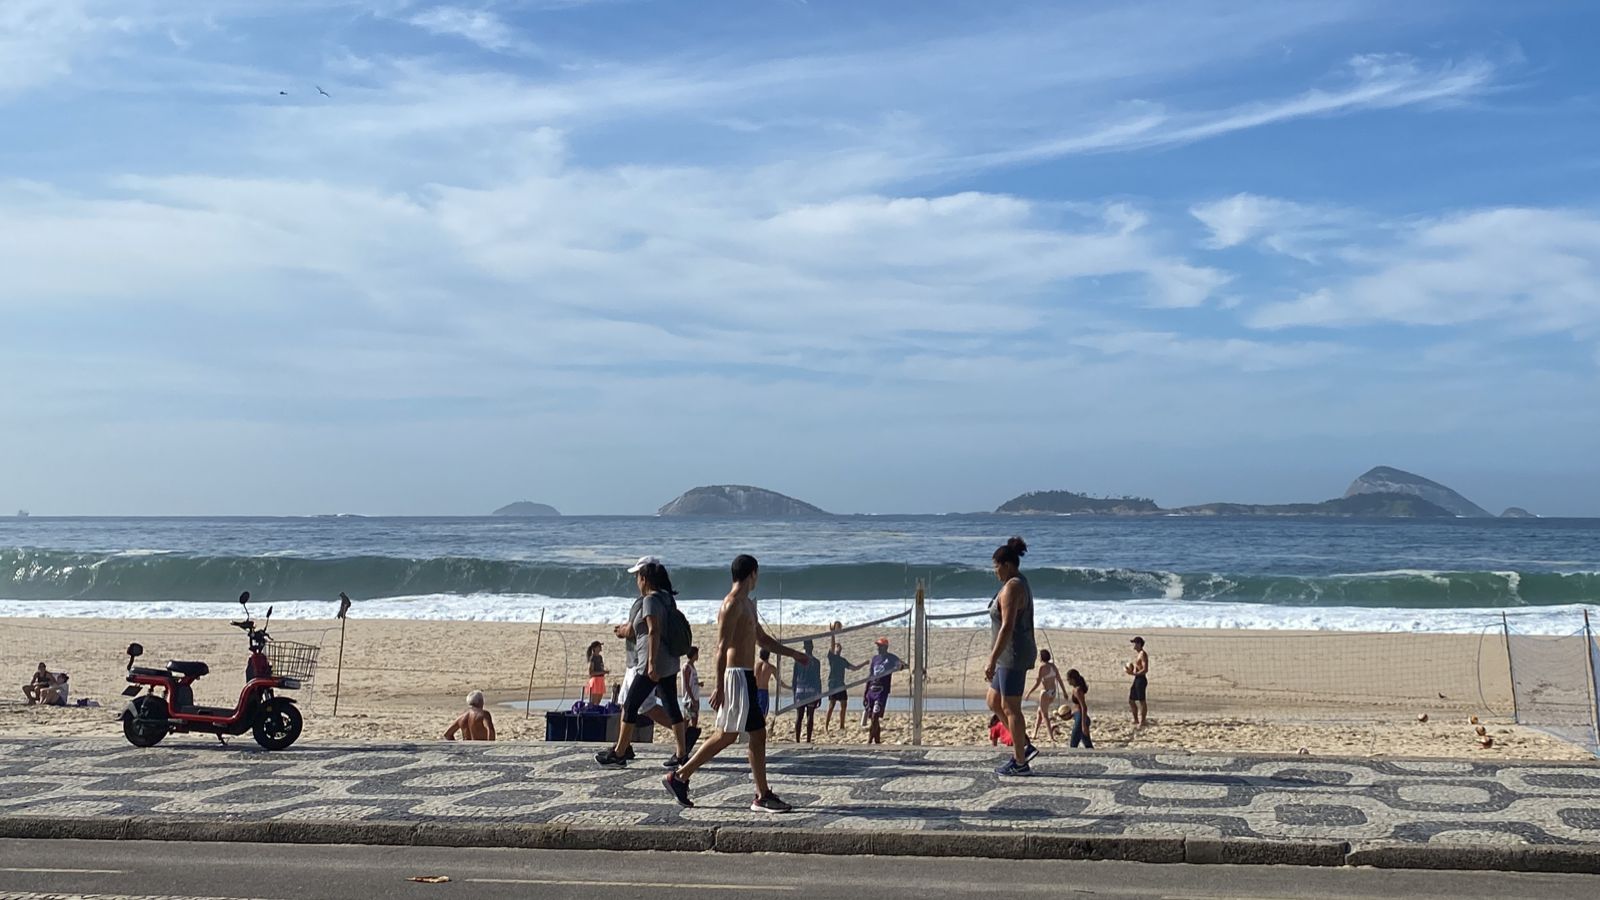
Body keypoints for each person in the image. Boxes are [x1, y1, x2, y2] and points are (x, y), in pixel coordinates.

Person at [662, 554, 810, 812]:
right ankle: (755, 794)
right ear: (752, 574)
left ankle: (684, 777)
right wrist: (719, 686)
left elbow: (763, 640)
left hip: (746, 676)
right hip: (736, 676)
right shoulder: (731, 604)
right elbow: (721, 648)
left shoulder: (748, 604)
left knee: (741, 734)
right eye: (757, 574)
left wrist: (794, 654)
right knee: (738, 734)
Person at [596, 556, 690, 769]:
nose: (637, 581)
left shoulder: (649, 600)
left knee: (630, 704)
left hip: (652, 665)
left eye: (638, 577)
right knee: (671, 706)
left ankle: (620, 753)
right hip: (670, 661)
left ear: (645, 579)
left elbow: (653, 631)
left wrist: (651, 664)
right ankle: (681, 753)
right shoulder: (667, 598)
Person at [985, 536, 1037, 776]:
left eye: (996, 566)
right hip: (1006, 655)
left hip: (1013, 655)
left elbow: (1007, 627)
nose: (994, 571)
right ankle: (1022, 744)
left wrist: (991, 659)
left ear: (1006, 565)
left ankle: (1020, 762)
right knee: (993, 701)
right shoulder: (1014, 582)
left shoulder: (1013, 587)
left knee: (1010, 706)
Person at [823, 625, 864, 733]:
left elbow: (854, 668)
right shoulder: (832, 657)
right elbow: (831, 646)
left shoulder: (842, 660)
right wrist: (832, 633)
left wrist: (864, 663)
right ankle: (826, 726)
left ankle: (841, 726)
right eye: (837, 647)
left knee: (844, 704)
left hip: (841, 683)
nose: (838, 648)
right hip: (833, 683)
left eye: (839, 647)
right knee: (832, 705)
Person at [863, 638, 903, 745]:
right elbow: (870, 676)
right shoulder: (875, 659)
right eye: (878, 646)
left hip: (882, 691)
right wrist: (865, 693)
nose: (878, 648)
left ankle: (869, 741)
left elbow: (901, 665)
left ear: (885, 647)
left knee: (875, 716)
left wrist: (899, 666)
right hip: (871, 690)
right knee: (873, 718)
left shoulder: (891, 658)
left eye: (880, 646)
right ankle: (877, 741)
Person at [1026, 649, 1064, 741]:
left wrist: (1029, 692)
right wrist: (1064, 692)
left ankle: (1051, 736)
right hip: (1053, 692)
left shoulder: (1042, 668)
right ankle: (1035, 733)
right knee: (1040, 711)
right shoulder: (1053, 666)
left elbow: (1037, 683)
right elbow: (1059, 679)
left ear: (1041, 657)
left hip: (1045, 693)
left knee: (1044, 714)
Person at [791, 639, 822, 743]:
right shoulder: (816, 662)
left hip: (800, 690)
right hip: (811, 690)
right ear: (812, 647)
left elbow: (794, 678)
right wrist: (819, 694)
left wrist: (794, 693)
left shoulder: (798, 661)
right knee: (810, 715)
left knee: (799, 716)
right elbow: (818, 679)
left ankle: (797, 740)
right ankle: (808, 739)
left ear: (804, 647)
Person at [1065, 669, 1093, 749]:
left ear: (1073, 679)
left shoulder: (1078, 690)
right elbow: (1076, 706)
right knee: (1088, 745)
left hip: (1081, 719)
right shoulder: (1075, 689)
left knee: (1073, 745)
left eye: (1068, 679)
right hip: (1078, 717)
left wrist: (1083, 725)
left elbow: (1084, 707)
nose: (1067, 681)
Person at [1127, 636, 1150, 728]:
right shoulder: (1139, 654)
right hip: (1137, 678)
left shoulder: (1143, 654)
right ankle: (1136, 719)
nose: (1134, 645)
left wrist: (1134, 673)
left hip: (1141, 679)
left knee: (1142, 701)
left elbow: (1145, 669)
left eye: (1135, 643)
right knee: (1131, 700)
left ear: (1139, 644)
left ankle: (1143, 721)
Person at [754, 649, 784, 718]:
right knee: (763, 715)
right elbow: (780, 682)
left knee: (755, 714)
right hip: (763, 692)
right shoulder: (771, 667)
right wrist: (790, 687)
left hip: (755, 691)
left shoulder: (755, 666)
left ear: (760, 655)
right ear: (768, 655)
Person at [681, 645, 702, 728]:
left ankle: (691, 734)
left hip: (695, 697)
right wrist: (692, 699)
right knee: (687, 719)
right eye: (697, 654)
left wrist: (698, 684)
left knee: (694, 720)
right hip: (689, 699)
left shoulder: (692, 666)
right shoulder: (687, 667)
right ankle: (684, 734)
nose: (697, 656)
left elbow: (691, 682)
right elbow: (686, 684)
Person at [585, 641, 609, 706]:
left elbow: (600, 667)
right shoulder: (592, 658)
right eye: (599, 646)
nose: (600, 647)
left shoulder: (600, 657)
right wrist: (602, 672)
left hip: (601, 680)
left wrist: (604, 671)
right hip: (595, 680)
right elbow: (591, 672)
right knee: (594, 702)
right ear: (594, 648)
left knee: (598, 702)